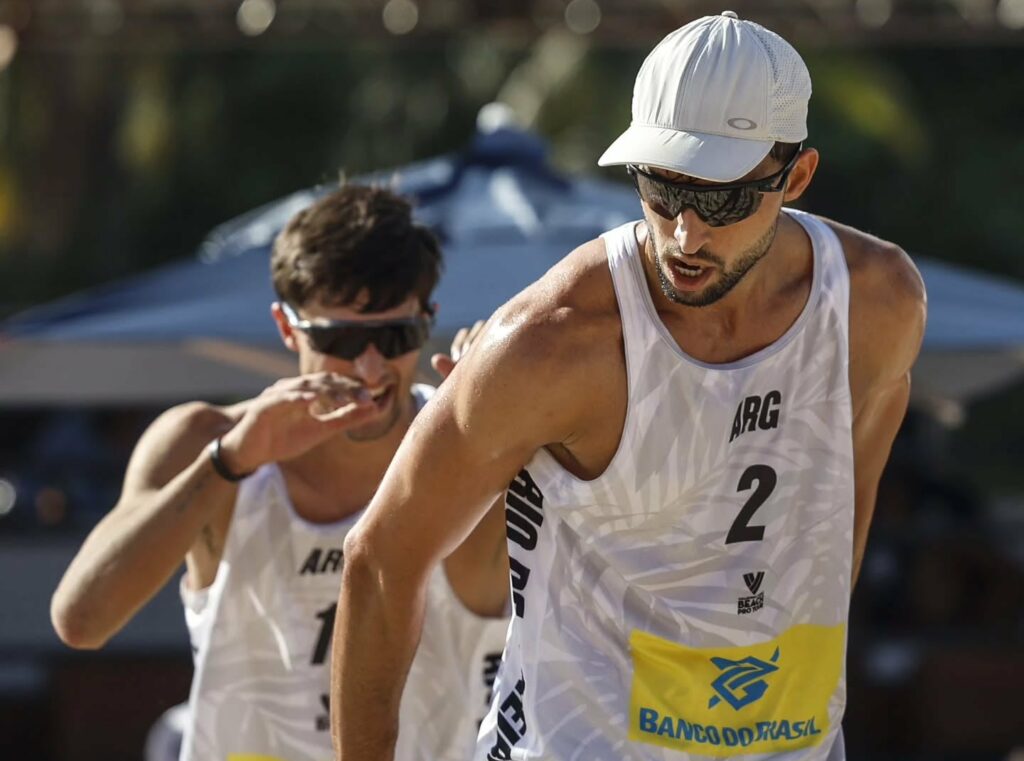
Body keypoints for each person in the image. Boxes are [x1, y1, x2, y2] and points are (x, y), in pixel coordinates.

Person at [330, 12, 926, 761]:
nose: (686, 233)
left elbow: (839, 525)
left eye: (724, 200)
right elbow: (380, 559)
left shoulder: (877, 302)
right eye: (661, 186)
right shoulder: (553, 343)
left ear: (796, 177)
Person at [50, 183, 511, 761]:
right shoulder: (207, 442)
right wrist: (228, 463)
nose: (370, 368)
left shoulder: (478, 448)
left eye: (395, 336)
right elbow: (81, 620)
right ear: (287, 327)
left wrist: (498, 415)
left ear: (428, 321)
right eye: (341, 338)